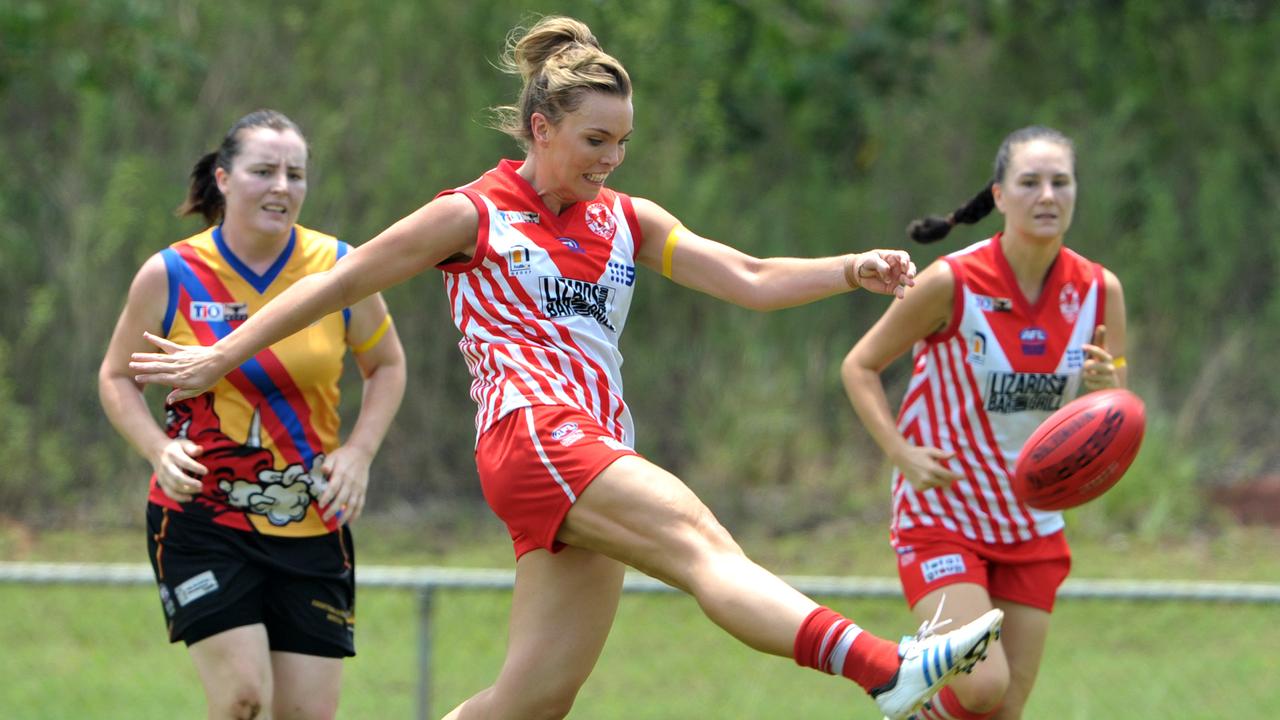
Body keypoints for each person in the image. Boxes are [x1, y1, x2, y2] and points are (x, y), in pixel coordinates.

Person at [128, 18, 1002, 720]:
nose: (609, 160)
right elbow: (339, 283)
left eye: (621, 142)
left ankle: (890, 675)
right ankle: (887, 671)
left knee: (534, 700)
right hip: (534, 435)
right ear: (540, 127)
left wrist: (852, 268)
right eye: (592, 140)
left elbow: (749, 277)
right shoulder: (470, 215)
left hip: (587, 448)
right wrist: (223, 353)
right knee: (703, 545)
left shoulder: (625, 217)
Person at [99, 109, 407, 719]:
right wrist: (157, 450)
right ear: (223, 178)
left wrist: (359, 452)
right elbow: (115, 377)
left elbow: (388, 367)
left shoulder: (341, 270)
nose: (282, 187)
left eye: (296, 174)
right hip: (202, 519)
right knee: (243, 698)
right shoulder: (172, 274)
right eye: (264, 171)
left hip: (312, 519)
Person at [842, 125, 1128, 719]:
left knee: (1002, 712)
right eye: (1030, 182)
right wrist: (901, 453)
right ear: (999, 195)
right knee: (979, 686)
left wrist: (1107, 393)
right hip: (943, 513)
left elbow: (1106, 412)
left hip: (1033, 520)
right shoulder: (953, 280)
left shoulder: (1100, 290)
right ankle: (914, 699)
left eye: (1060, 181)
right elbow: (859, 366)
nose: (1047, 195)